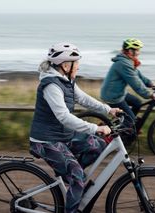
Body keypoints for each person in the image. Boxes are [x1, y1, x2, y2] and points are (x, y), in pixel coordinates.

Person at [29, 42, 120, 213]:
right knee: (77, 176)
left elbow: (83, 99)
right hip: (46, 141)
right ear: (65, 65)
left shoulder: (66, 80)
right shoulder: (51, 86)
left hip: (63, 137)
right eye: (76, 63)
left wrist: (108, 109)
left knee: (98, 145)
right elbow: (64, 117)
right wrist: (95, 128)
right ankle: (75, 184)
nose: (78, 66)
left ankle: (73, 180)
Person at [100, 38, 155, 124]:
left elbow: (137, 75)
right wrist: (149, 94)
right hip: (113, 97)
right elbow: (135, 83)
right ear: (130, 51)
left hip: (118, 93)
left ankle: (127, 124)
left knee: (137, 103)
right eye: (137, 50)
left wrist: (150, 83)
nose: (139, 52)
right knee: (130, 119)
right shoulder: (123, 64)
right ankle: (127, 127)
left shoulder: (127, 61)